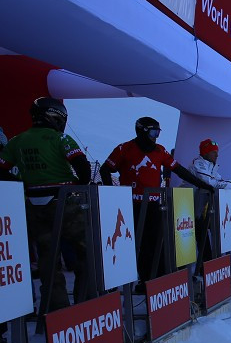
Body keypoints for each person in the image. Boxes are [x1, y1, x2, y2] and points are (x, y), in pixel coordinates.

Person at [0, 98, 92, 312]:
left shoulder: (17, 141)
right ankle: (86, 304)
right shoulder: (60, 138)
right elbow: (83, 167)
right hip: (64, 202)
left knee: (48, 261)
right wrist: (77, 185)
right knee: (87, 253)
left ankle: (57, 310)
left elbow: (2, 168)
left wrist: (20, 184)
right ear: (55, 116)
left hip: (34, 205)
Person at [100, 116, 212, 282]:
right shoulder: (125, 148)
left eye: (158, 132)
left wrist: (203, 184)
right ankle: (143, 280)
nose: (155, 136)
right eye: (153, 132)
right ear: (142, 131)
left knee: (157, 243)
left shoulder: (159, 150)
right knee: (138, 245)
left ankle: (158, 279)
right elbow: (105, 170)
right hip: (131, 206)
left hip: (153, 206)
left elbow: (180, 170)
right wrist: (114, 196)